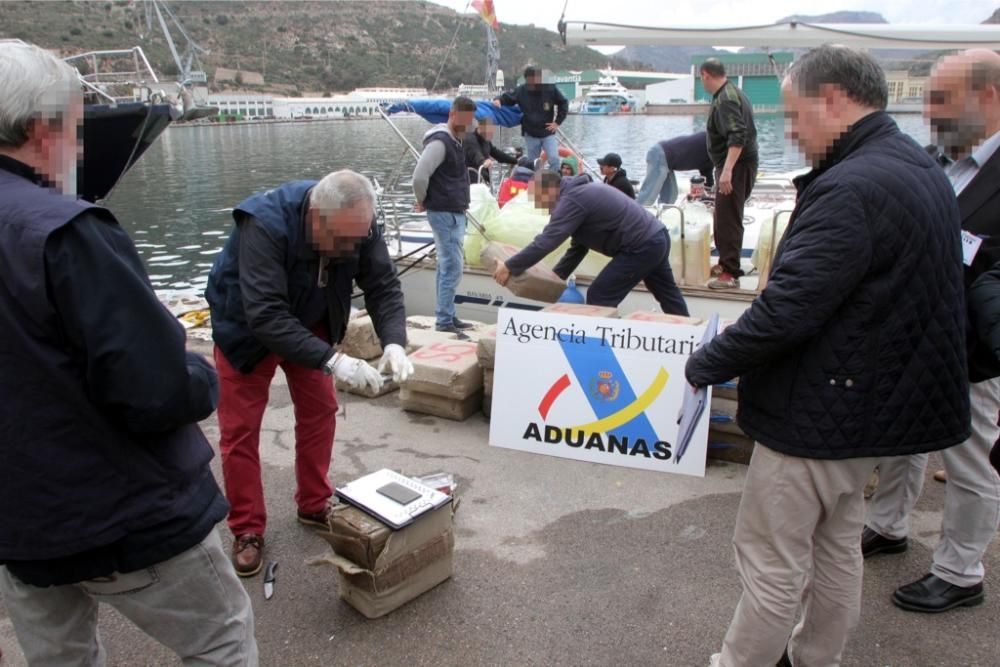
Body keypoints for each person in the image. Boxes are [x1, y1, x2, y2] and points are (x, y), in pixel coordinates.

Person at [685, 45, 970, 667]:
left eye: (794, 115)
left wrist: (705, 361)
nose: (790, 131)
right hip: (872, 409)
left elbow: (788, 308)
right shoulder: (919, 168)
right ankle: (815, 656)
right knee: (836, 544)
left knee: (770, 559)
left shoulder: (851, 188)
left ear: (833, 99)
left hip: (820, 409)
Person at [0, 42, 257, 664]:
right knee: (219, 640)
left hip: (19, 527)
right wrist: (199, 374)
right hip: (123, 514)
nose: (80, 150)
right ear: (41, 130)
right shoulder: (66, 231)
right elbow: (154, 391)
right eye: (74, 130)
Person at [205, 170, 412, 577]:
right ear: (316, 217)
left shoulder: (358, 223)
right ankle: (247, 528)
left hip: (310, 318)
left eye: (359, 238)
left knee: (320, 410)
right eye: (343, 240)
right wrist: (335, 361)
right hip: (246, 329)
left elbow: (383, 285)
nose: (352, 248)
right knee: (240, 431)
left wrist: (394, 342)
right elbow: (265, 315)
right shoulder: (263, 223)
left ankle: (313, 502)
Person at [862, 49, 1000, 614]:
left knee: (970, 457)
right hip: (911, 336)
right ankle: (888, 525)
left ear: (988, 96)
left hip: (970, 345)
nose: (929, 112)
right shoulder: (933, 159)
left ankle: (961, 570)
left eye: (942, 99)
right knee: (902, 439)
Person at [492, 170, 689, 315]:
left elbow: (547, 241)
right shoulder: (579, 193)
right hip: (657, 237)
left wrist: (510, 266)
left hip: (641, 245)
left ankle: (602, 347)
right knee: (668, 294)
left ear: (549, 190)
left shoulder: (572, 200)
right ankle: (690, 337)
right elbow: (579, 247)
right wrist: (555, 280)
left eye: (537, 198)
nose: (537, 204)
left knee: (599, 295)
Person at [412, 95, 478, 335]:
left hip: (452, 211)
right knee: (453, 267)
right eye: (464, 121)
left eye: (470, 121)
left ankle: (447, 314)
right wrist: (423, 200)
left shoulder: (455, 140)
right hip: (445, 213)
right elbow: (420, 176)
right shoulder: (441, 143)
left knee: (447, 266)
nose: (467, 126)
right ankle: (444, 321)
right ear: (452, 114)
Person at [700, 58, 758, 289]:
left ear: (705, 75)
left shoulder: (726, 99)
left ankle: (730, 273)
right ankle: (725, 263)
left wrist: (727, 171)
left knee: (728, 218)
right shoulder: (733, 92)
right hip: (736, 164)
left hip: (736, 165)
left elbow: (738, 135)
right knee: (723, 215)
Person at [493, 65, 568, 172]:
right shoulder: (521, 90)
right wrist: (498, 100)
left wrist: (557, 122)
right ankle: (536, 185)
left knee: (554, 159)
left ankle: (553, 183)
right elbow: (508, 97)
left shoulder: (550, 89)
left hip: (547, 132)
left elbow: (563, 103)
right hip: (530, 133)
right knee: (533, 163)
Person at [636, 131, 715, 206]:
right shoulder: (707, 139)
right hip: (660, 154)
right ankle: (632, 217)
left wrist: (711, 199)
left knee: (671, 197)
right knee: (647, 198)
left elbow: (708, 183)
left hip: (668, 162)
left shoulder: (709, 162)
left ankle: (659, 217)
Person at [464, 116, 517, 185]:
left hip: (483, 177)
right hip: (471, 178)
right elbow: (476, 153)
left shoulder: (486, 140)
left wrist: (514, 161)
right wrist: (483, 161)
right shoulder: (469, 139)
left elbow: (496, 153)